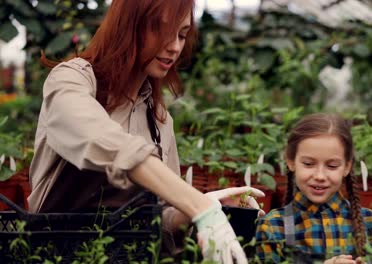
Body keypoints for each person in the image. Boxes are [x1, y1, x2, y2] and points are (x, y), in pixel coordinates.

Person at [27, 1, 264, 263]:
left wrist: (195, 210)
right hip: (51, 254)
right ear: (128, 25)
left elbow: (158, 220)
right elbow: (98, 138)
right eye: (160, 30)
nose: (174, 46)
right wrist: (197, 204)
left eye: (182, 34)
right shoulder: (72, 80)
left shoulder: (159, 122)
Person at [255, 113, 372, 264]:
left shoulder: (370, 223)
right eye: (308, 164)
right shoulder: (273, 226)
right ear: (291, 161)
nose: (320, 175)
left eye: (332, 166)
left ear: (347, 167)